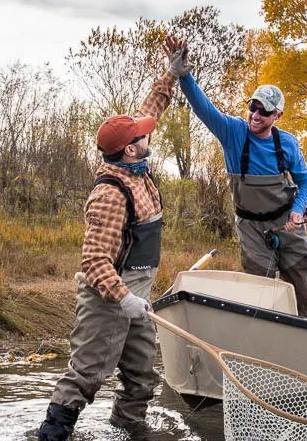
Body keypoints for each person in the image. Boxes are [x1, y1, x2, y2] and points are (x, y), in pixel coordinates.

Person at [37, 37, 186, 441]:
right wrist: (125, 300)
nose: (146, 136)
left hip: (138, 294)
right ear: (129, 150)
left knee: (141, 377)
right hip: (109, 298)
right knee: (86, 374)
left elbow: (149, 110)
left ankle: (128, 429)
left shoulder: (134, 160)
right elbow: (94, 261)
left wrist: (171, 74)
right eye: (140, 137)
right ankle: (51, 435)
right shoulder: (109, 194)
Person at [174, 52, 307, 316]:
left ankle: (301, 325)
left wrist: (298, 210)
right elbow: (203, 107)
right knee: (259, 284)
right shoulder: (233, 132)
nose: (256, 115)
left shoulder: (287, 144)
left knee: (300, 275)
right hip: (250, 226)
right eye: (253, 107)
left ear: (278, 116)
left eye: (264, 111)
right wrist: (185, 76)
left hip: (285, 220)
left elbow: (306, 181)